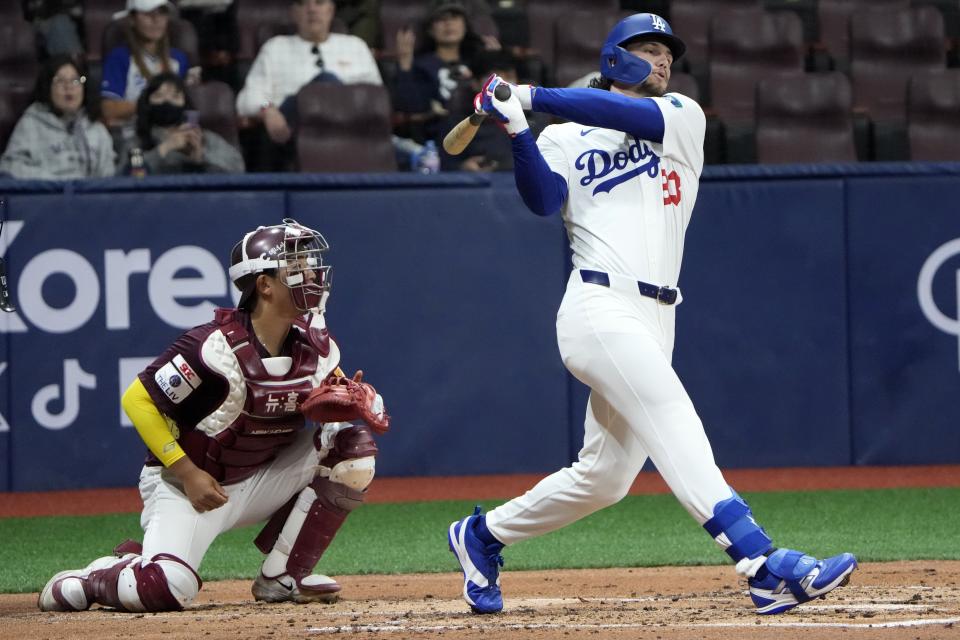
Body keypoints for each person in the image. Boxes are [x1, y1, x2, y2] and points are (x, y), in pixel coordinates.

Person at [446, 13, 858, 616]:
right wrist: (517, 131)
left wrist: (529, 96)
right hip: (598, 306)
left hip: (658, 314)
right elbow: (544, 202)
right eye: (648, 49)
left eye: (668, 52)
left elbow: (619, 115)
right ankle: (762, 564)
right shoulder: (563, 137)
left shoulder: (682, 118)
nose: (663, 60)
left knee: (605, 478)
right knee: (671, 412)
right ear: (614, 58)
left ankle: (480, 537)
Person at [38, 219, 389, 612]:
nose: (311, 274)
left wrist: (357, 400)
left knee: (351, 448)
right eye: (296, 267)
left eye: (309, 264)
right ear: (265, 285)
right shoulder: (212, 347)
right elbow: (138, 400)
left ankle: (285, 576)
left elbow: (345, 401)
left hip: (262, 477)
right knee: (164, 590)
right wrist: (186, 472)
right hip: (189, 486)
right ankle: (101, 575)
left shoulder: (317, 346)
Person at [235, 0, 383, 172]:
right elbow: (246, 99)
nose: (311, 9)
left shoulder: (355, 46)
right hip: (295, 131)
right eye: (303, 4)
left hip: (349, 129)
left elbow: (376, 96)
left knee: (328, 86)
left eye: (319, 3)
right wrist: (267, 109)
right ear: (293, 13)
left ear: (330, 10)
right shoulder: (276, 47)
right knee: (325, 83)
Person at [390, 0, 499, 145]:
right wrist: (404, 66)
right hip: (439, 137)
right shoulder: (421, 66)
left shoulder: (477, 62)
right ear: (430, 30)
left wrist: (495, 61)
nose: (448, 24)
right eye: (441, 19)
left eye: (454, 18)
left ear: (465, 26)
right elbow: (412, 108)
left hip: (483, 132)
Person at [0, 55, 116, 180]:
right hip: (48, 196)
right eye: (60, 81)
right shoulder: (31, 124)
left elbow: (108, 177)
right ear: (48, 87)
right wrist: (55, 182)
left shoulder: (96, 129)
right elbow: (10, 166)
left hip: (89, 197)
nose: (69, 87)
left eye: (76, 80)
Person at [118, 72, 245, 175]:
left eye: (175, 96)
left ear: (185, 104)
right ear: (147, 105)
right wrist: (165, 148)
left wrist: (201, 157)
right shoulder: (135, 144)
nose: (167, 101)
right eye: (159, 96)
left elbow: (238, 170)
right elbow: (125, 178)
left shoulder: (205, 139)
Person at [101, 0, 192, 133]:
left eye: (162, 13)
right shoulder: (120, 57)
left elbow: (187, 106)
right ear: (132, 19)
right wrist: (150, 106)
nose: (156, 20)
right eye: (148, 14)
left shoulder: (179, 59)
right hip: (133, 134)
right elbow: (108, 108)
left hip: (173, 134)